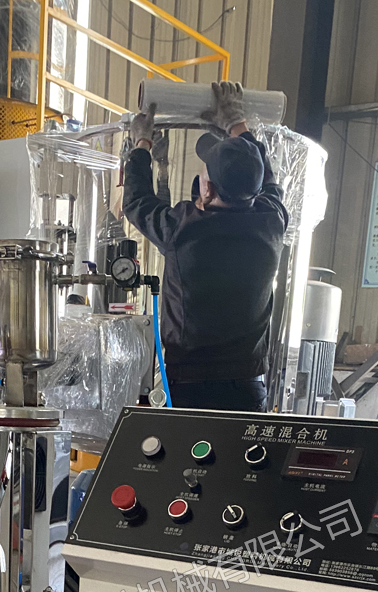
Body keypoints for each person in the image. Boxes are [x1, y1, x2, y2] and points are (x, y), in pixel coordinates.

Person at [123, 82, 288, 412]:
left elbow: (136, 201)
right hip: (248, 388)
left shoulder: (183, 229)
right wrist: (236, 122)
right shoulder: (272, 221)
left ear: (208, 188)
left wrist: (141, 144)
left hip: (190, 388)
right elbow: (267, 177)